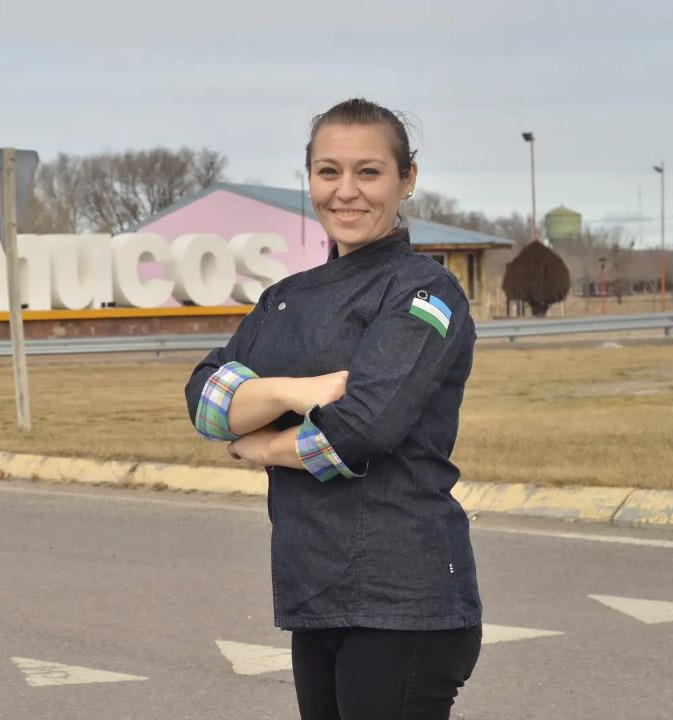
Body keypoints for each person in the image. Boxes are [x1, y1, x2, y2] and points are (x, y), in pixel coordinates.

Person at [184, 98, 482, 719]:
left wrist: (260, 444)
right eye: (328, 172)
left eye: (369, 172)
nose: (346, 192)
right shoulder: (283, 299)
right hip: (314, 591)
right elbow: (207, 400)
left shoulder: (424, 291)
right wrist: (296, 393)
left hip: (402, 600)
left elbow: (361, 429)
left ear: (408, 179)